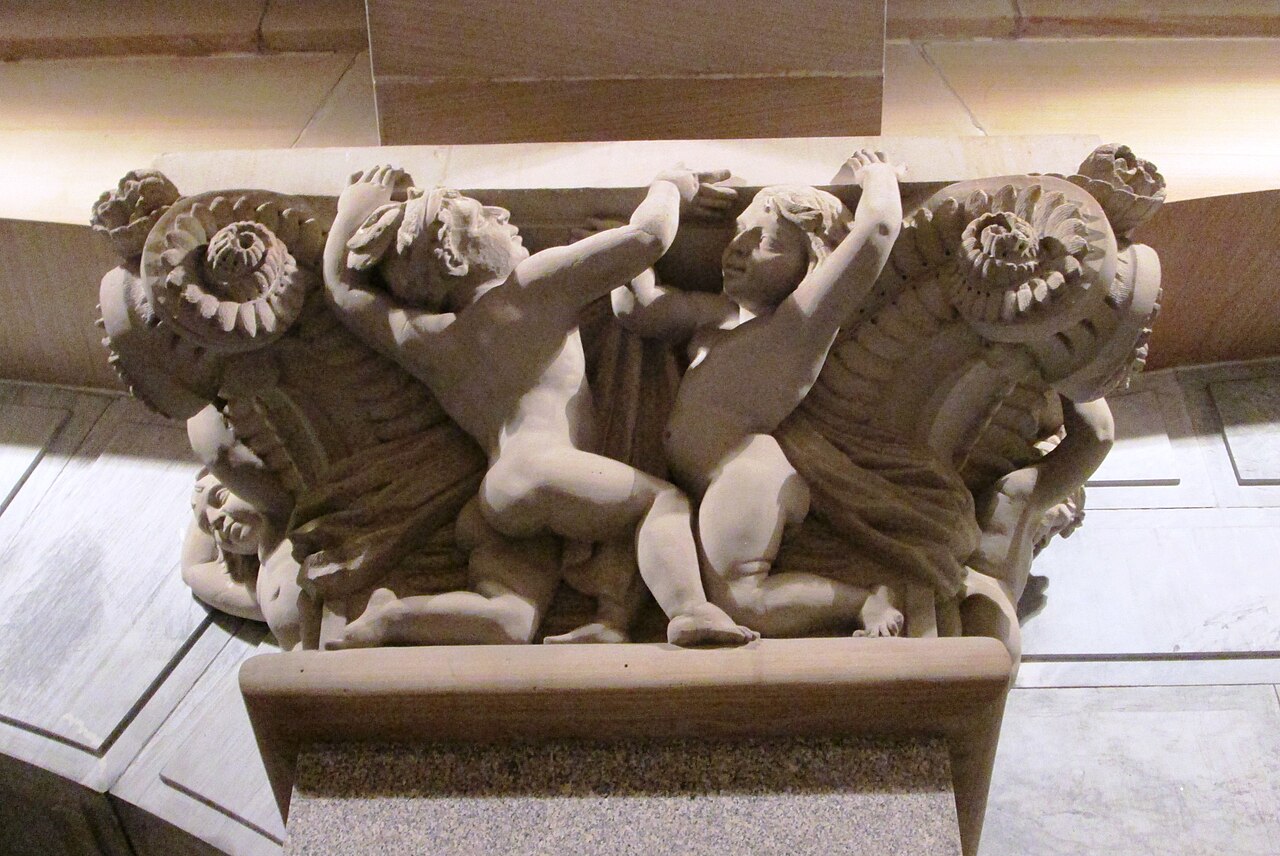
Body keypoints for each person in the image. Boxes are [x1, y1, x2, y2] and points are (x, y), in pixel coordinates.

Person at [322, 165, 757, 647]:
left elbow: (344, 293)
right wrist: (671, 186)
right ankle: (690, 610)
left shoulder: (430, 342)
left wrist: (352, 210)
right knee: (661, 502)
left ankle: (392, 617)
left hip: (496, 497)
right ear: (456, 256)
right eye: (486, 222)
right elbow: (649, 237)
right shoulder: (530, 288)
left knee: (510, 621)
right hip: (545, 470)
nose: (506, 221)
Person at [611, 150, 906, 637]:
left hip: (744, 469)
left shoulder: (799, 324)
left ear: (812, 261)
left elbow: (875, 233)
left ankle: (865, 601)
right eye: (737, 234)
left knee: (743, 600)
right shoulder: (719, 317)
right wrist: (653, 216)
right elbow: (638, 309)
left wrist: (877, 176)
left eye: (764, 241)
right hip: (703, 479)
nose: (737, 248)